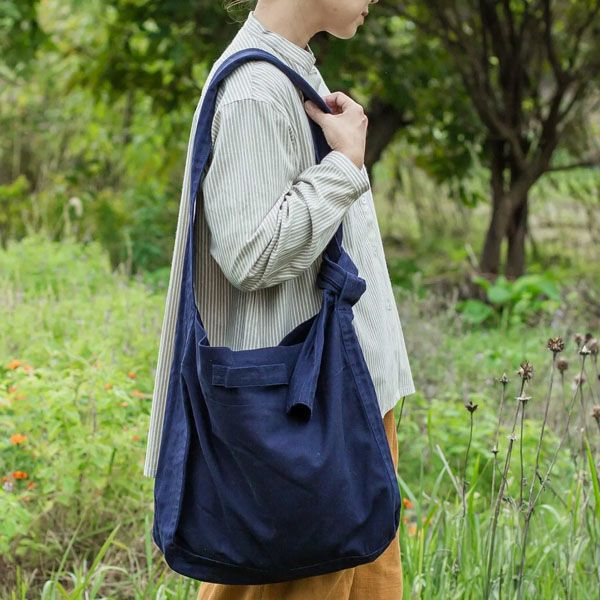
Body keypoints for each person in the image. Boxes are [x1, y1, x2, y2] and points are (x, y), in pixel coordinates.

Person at [143, 0, 416, 597]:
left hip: (341, 407)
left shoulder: (292, 73)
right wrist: (343, 166)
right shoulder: (255, 93)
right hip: (300, 424)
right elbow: (250, 253)